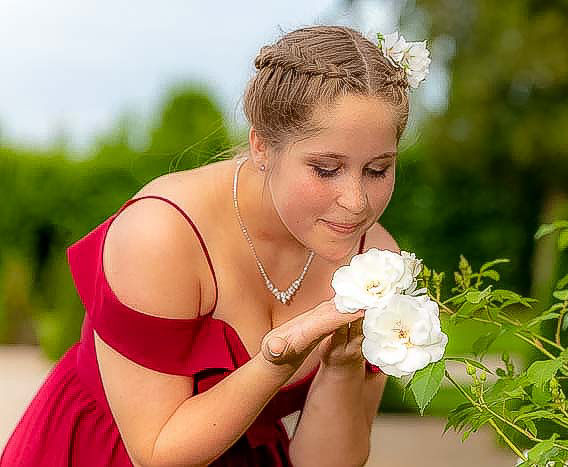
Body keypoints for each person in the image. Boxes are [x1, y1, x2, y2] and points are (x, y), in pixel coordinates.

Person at [1, 24, 414, 466]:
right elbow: (156, 454)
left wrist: (341, 366)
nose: (356, 202)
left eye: (377, 169)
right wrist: (277, 359)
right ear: (262, 146)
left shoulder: (376, 266)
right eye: (326, 169)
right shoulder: (161, 234)